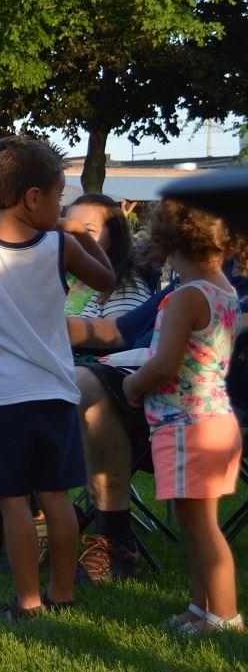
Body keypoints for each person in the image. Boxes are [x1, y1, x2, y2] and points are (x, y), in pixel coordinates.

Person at [0, 136, 114, 620]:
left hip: (2, 397)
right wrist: (80, 235)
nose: (62, 207)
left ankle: (28, 601)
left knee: (14, 501)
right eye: (59, 196)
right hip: (56, 392)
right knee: (57, 497)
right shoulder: (60, 245)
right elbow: (106, 279)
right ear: (33, 198)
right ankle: (64, 593)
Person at [121, 201, 243, 634]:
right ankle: (201, 605)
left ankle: (225, 615)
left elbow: (165, 363)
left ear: (169, 246)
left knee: (203, 528)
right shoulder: (224, 292)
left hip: (189, 423)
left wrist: (133, 385)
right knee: (195, 525)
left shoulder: (186, 297)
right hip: (212, 420)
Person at [67, 193, 154, 318]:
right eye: (69, 229)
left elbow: (117, 334)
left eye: (88, 231)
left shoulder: (126, 288)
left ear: (114, 237)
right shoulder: (62, 277)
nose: (74, 237)